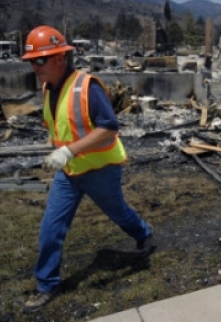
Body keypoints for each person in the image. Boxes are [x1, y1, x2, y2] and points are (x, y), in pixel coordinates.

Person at [21, 25, 153, 313]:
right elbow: (58, 126)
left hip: (100, 169)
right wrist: (58, 149)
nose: (34, 67)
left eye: (39, 60)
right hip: (68, 173)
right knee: (51, 227)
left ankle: (143, 233)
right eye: (30, 61)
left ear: (59, 58)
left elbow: (109, 127)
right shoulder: (48, 89)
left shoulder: (86, 87)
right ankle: (47, 284)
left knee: (119, 212)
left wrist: (69, 151)